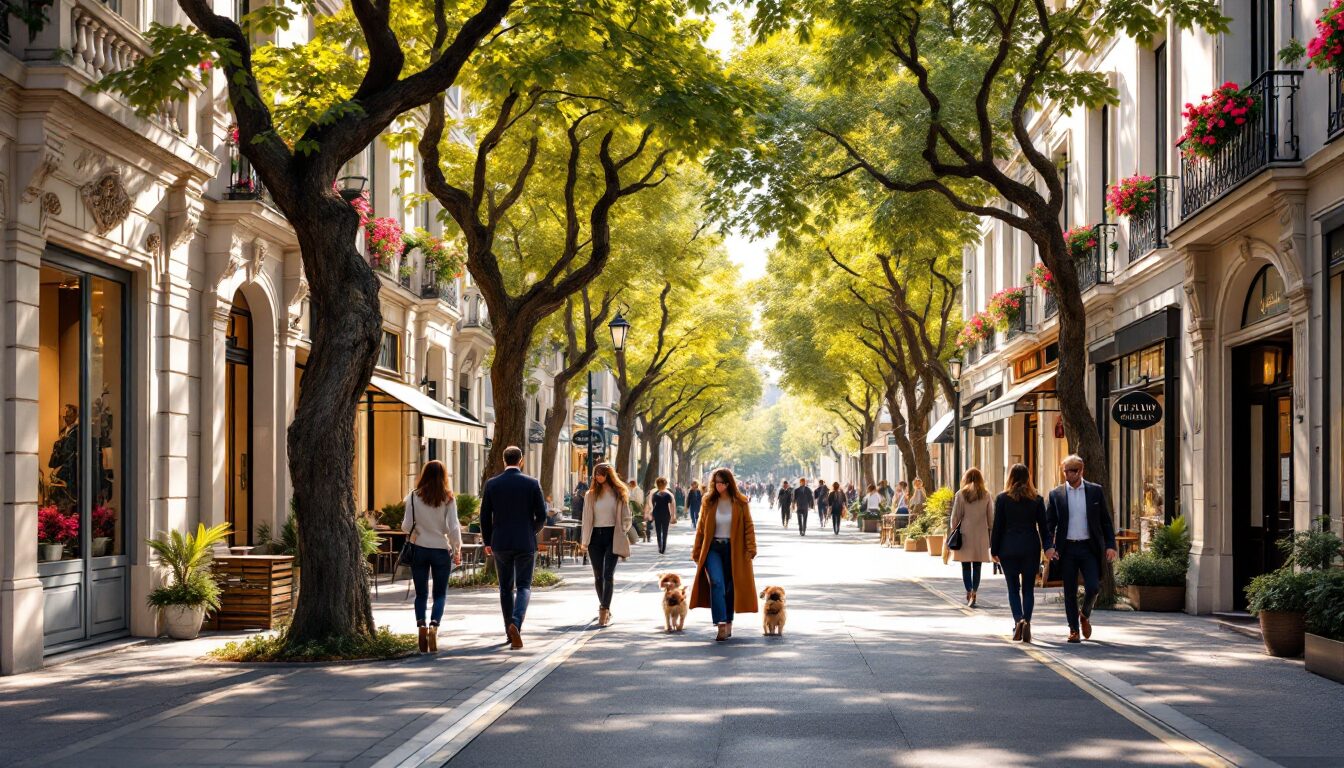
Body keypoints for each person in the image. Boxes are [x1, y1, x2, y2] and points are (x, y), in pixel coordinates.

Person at [479, 445, 547, 650]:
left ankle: (508, 629)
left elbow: (484, 516)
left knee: (505, 588)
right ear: (521, 460)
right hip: (524, 541)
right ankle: (516, 623)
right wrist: (530, 530)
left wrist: (488, 541)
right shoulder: (532, 483)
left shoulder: (492, 484)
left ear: (503, 460)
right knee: (524, 586)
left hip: (500, 542)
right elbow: (542, 516)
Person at [1045, 454, 1117, 644]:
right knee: (1070, 591)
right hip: (1066, 549)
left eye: (1072, 471)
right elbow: (1048, 525)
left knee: (1093, 587)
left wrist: (1111, 545)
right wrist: (1049, 547)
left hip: (1088, 548)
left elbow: (1105, 521)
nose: (1068, 474)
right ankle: (1073, 630)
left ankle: (1084, 614)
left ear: (1081, 471)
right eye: (1065, 471)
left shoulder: (1095, 491)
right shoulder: (1056, 494)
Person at [690, 467, 758, 642]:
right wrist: (697, 550)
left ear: (729, 484)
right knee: (717, 582)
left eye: (721, 483)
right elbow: (701, 528)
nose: (718, 486)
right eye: (716, 482)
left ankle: (728, 621)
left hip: (734, 548)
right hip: (713, 548)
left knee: (730, 586)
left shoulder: (741, 502)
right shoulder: (708, 501)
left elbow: (748, 526)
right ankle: (720, 623)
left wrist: (751, 548)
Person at [402, 460, 463, 653]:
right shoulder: (448, 498)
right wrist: (457, 549)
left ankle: (421, 625)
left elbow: (405, 525)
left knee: (420, 594)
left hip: (418, 548)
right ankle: (434, 626)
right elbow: (453, 527)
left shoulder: (413, 497)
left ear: (424, 475)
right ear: (444, 476)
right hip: (440, 550)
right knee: (440, 594)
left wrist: (416, 535)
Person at [992, 463, 1051, 642]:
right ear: (1028, 478)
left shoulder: (1002, 499)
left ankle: (1018, 620)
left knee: (1012, 589)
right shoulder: (1038, 500)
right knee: (1028, 590)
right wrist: (1048, 547)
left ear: (1010, 478)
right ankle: (1027, 622)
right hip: (1030, 548)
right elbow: (1044, 528)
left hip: (1008, 548)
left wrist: (994, 550)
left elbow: (997, 527)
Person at [581, 462, 632, 627]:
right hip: (595, 537)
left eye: (601, 473)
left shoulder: (619, 493)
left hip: (613, 536)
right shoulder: (590, 495)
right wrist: (584, 541)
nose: (598, 476)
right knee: (598, 575)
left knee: (608, 574)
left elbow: (627, 516)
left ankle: (604, 609)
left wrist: (623, 530)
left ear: (608, 475)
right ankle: (605, 607)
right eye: (596, 473)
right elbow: (586, 519)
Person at [949, 468, 993, 607]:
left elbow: (955, 518)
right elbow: (991, 518)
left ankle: (968, 591)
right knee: (977, 565)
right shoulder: (986, 495)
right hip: (981, 534)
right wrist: (991, 533)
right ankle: (975, 590)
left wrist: (953, 529)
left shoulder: (960, 494)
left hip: (965, 534)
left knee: (966, 565)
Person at [650, 477, 676, 554]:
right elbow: (672, 505)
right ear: (665, 485)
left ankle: (660, 546)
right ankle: (663, 547)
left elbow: (652, 505)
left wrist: (651, 514)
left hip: (657, 514)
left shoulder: (654, 494)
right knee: (665, 531)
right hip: (666, 514)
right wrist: (673, 515)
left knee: (658, 531)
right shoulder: (668, 495)